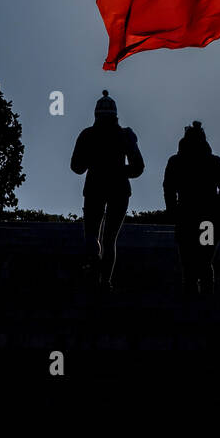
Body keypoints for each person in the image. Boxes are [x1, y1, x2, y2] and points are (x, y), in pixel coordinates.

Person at [70, 90, 144, 290]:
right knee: (110, 239)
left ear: (96, 114)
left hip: (94, 186)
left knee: (92, 234)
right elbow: (138, 167)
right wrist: (120, 171)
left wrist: (94, 162)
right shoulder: (126, 135)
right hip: (120, 189)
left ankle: (93, 273)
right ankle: (105, 282)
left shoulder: (87, 135)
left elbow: (76, 167)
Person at [163, 121, 220, 295]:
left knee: (188, 263)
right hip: (208, 219)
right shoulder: (213, 161)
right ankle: (207, 300)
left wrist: (172, 210)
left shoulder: (176, 161)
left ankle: (191, 300)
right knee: (205, 260)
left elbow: (168, 188)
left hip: (185, 217)